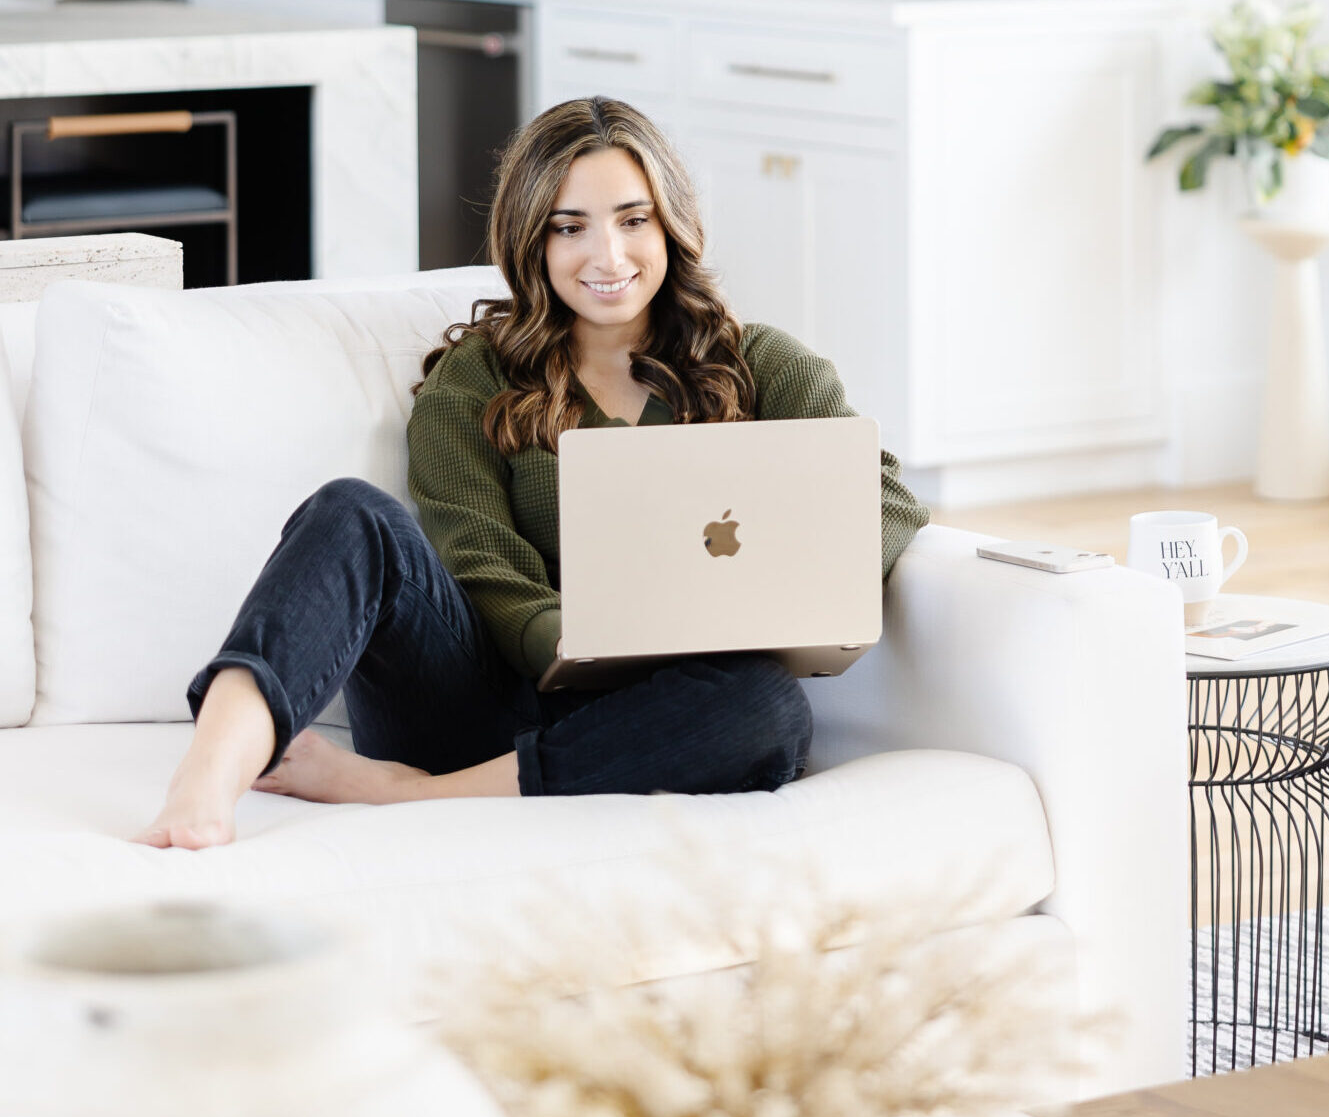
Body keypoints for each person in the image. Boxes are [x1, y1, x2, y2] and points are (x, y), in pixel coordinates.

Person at [135, 95, 929, 850]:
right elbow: (478, 564)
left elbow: (883, 494)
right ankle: (209, 775)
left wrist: (780, 607)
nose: (606, 256)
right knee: (352, 513)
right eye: (570, 227)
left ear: (671, 226)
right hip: (477, 703)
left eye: (632, 220)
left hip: (650, 717)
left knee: (766, 711)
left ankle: (400, 794)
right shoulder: (475, 379)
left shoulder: (760, 364)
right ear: (532, 240)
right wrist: (585, 641)